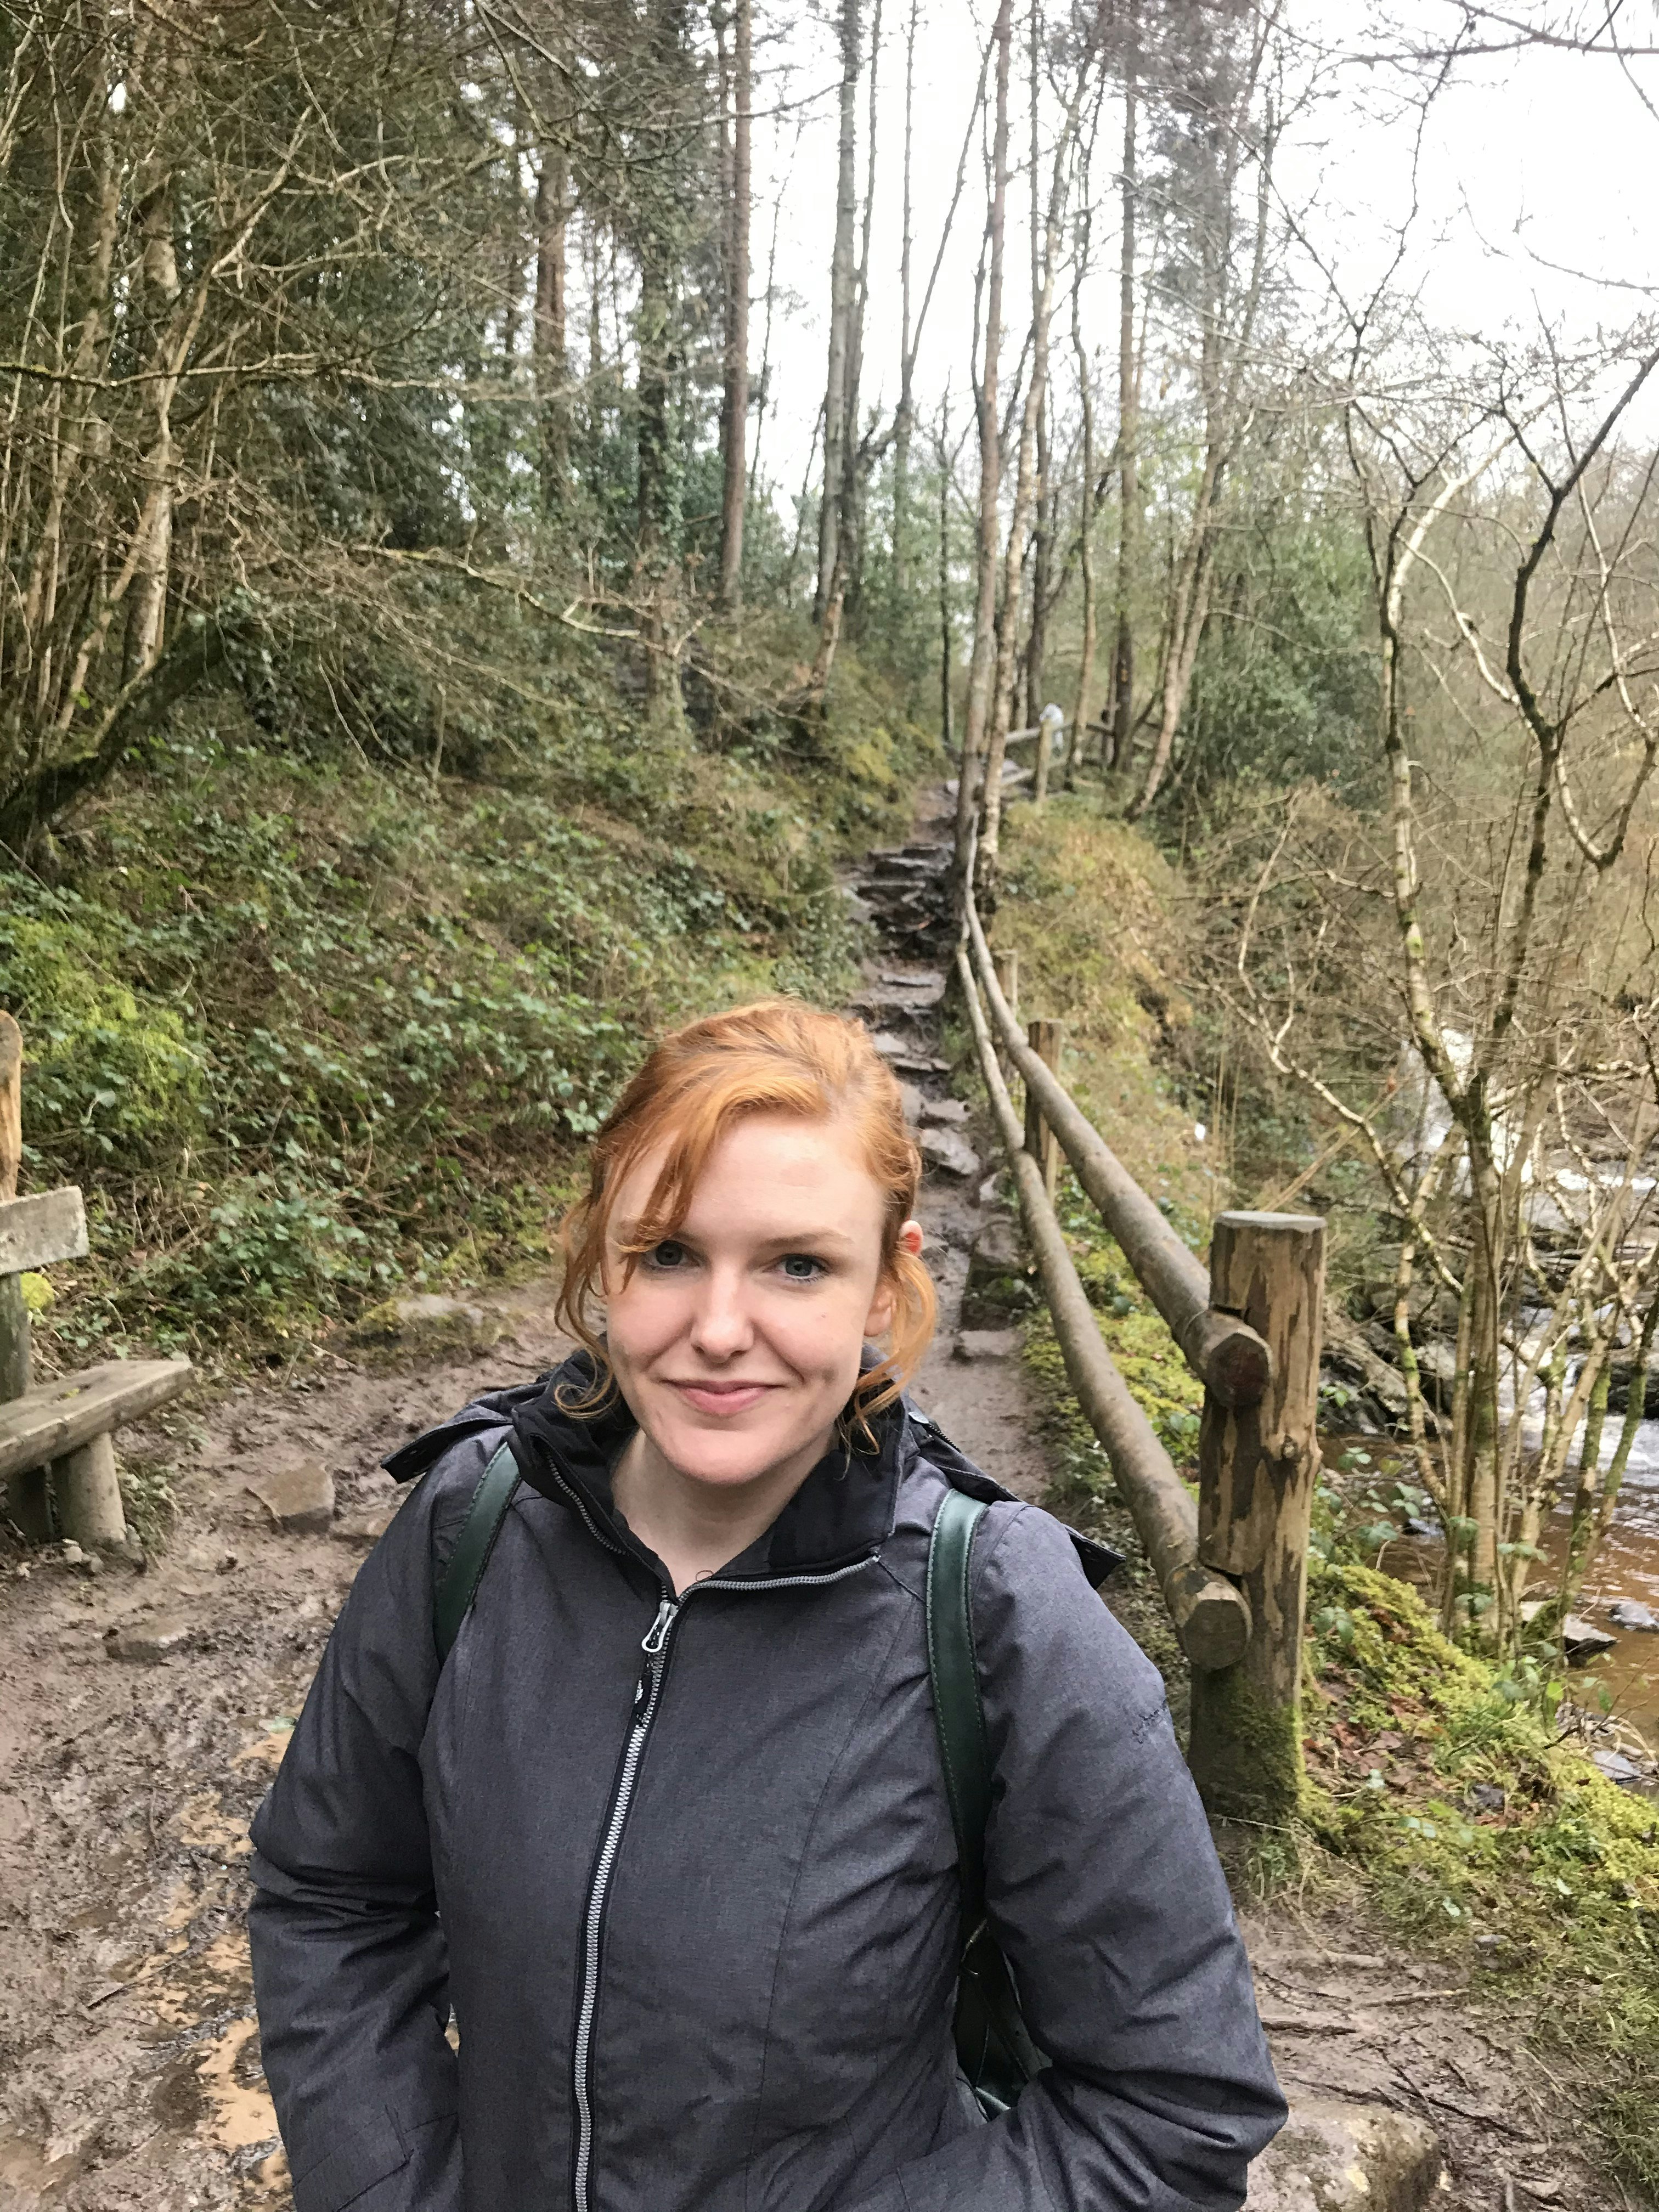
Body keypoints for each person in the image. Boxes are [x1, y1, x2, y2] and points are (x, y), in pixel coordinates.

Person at [248, 998, 1286, 2212]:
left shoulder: (1002, 1615)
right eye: (668, 1255)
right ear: (602, 1258)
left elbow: (1174, 2106)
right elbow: (332, 1897)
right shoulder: (472, 1525)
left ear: (886, 1292)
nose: (719, 1331)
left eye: (798, 1264)